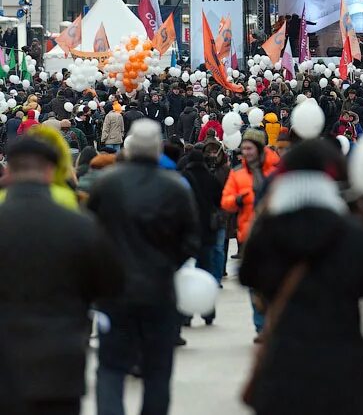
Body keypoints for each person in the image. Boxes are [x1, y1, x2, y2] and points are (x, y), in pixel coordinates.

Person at [239, 139, 363, 415]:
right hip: (343, 368)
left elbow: (248, 276)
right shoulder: (353, 236)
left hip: (283, 367)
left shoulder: (267, 233)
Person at [0, 136, 123, 415]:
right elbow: (111, 284)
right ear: (49, 171)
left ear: (8, 172)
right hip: (60, 360)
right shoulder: (79, 225)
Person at [87, 119, 199, 415]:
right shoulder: (175, 188)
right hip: (159, 291)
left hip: (114, 291)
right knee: (157, 373)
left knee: (111, 368)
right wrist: (167, 263)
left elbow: (90, 232)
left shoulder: (106, 184)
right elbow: (191, 239)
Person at [221, 129, 281, 337]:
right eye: (243, 148)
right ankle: (260, 325)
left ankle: (273, 322)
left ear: (258, 148)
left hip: (275, 234)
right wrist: (236, 201)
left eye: (249, 148)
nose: (245, 152)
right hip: (249, 234)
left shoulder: (275, 171)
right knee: (255, 282)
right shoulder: (237, 173)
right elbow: (226, 200)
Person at [180, 148, 225, 325]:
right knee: (207, 270)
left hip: (188, 231)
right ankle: (208, 311)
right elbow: (219, 200)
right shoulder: (211, 179)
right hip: (207, 231)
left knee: (187, 272)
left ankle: (186, 314)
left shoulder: (184, 178)